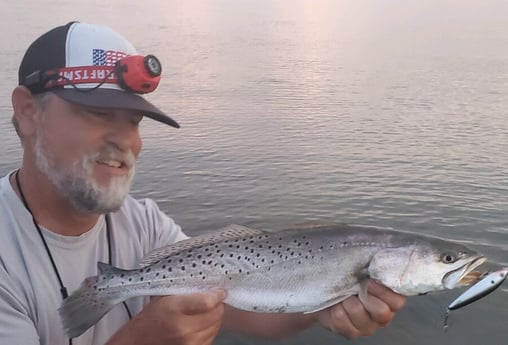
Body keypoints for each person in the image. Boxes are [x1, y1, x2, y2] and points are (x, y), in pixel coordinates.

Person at [0, 21, 406, 345]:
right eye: (99, 114)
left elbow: (233, 306)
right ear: (28, 111)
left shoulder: (144, 223)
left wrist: (321, 301)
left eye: (134, 121)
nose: (126, 141)